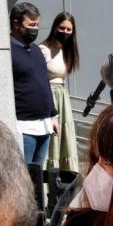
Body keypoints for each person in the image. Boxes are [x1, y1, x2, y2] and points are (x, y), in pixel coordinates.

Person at [9, 2, 58, 167]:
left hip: (45, 126)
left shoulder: (36, 50)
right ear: (16, 24)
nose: (35, 29)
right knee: (25, 175)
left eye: (37, 25)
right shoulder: (8, 52)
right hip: (24, 128)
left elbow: (45, 83)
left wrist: (53, 115)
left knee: (38, 175)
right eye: (31, 25)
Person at [39, 12, 80, 172]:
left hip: (62, 95)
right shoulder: (44, 49)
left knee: (65, 136)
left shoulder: (68, 50)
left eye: (69, 29)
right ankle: (49, 176)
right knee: (52, 138)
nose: (65, 32)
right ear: (55, 27)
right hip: (49, 95)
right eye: (62, 27)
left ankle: (66, 174)